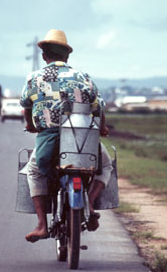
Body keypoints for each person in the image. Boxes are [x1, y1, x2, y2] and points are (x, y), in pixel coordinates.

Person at [20, 29, 113, 243]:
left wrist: (31, 124)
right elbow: (98, 108)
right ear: (67, 56)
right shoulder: (83, 76)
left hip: (48, 137)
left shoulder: (34, 78)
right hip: (83, 139)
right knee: (106, 165)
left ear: (45, 56)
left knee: (33, 171)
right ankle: (89, 203)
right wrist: (102, 129)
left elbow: (27, 106)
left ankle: (42, 225)